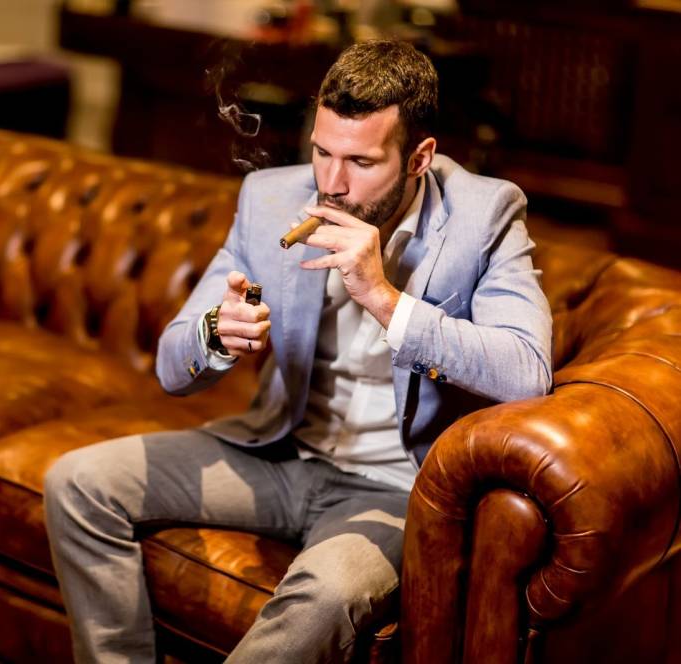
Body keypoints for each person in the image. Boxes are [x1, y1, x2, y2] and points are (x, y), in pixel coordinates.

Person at [44, 39, 552, 663]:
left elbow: (527, 372)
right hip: (278, 455)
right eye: (322, 152)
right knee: (77, 483)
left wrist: (385, 298)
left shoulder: (485, 214)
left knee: (327, 592)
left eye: (361, 162)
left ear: (420, 157)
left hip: (393, 486)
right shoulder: (269, 198)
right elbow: (173, 365)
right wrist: (217, 333)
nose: (332, 184)